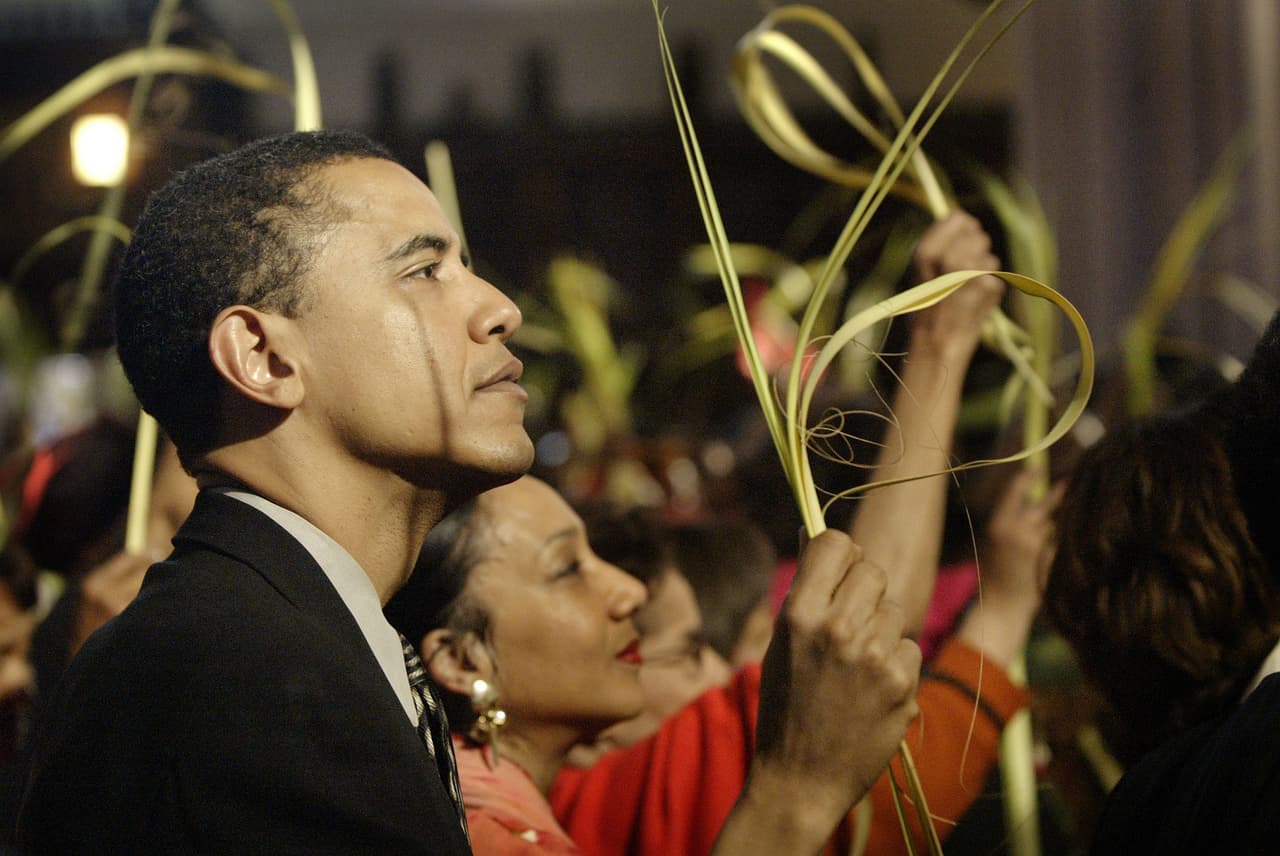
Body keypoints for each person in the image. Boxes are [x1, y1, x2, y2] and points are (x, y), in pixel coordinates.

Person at [16, 129, 921, 854]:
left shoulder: (302, 638)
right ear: (264, 356)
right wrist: (796, 792)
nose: (497, 306)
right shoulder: (245, 679)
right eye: (424, 270)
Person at [388, 474, 1039, 855]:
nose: (628, 591)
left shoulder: (495, 804)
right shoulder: (486, 838)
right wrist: (796, 787)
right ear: (462, 656)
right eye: (568, 569)